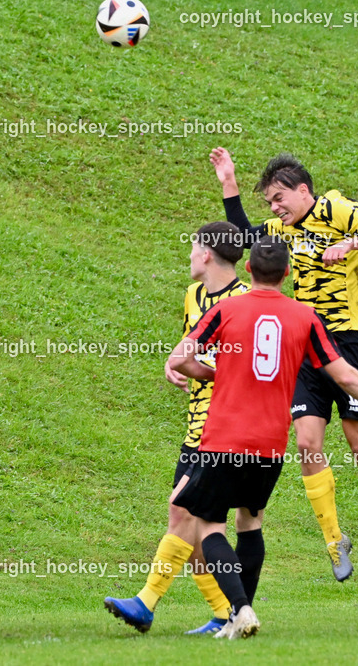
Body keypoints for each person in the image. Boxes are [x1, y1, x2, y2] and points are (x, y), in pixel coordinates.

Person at [113, 237, 358, 639]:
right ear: (287, 274)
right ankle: (236, 617)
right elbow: (344, 373)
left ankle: (240, 609)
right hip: (270, 444)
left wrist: (215, 373)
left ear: (248, 271)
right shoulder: (305, 318)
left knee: (207, 525)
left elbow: (182, 357)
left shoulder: (225, 309)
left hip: (223, 439)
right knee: (250, 523)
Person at [209, 148, 358, 588]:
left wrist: (352, 243)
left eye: (279, 199)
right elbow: (243, 239)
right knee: (306, 443)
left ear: (303, 191)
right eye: (270, 204)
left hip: (348, 342)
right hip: (304, 344)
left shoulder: (337, 209)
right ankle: (335, 541)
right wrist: (228, 183)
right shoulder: (281, 230)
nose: (275, 209)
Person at [103, 221, 249, 635]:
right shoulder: (193, 295)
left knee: (181, 508)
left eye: (192, 248)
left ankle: (146, 603)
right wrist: (176, 365)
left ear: (205, 254)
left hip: (225, 426)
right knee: (195, 523)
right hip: (196, 423)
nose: (188, 256)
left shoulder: (244, 302)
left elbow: (246, 372)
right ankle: (226, 612)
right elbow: (191, 346)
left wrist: (200, 369)